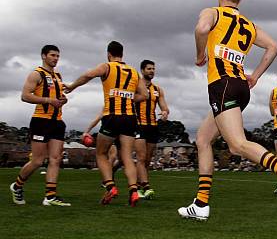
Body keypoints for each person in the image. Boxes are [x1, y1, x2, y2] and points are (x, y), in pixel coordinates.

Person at [178, 0, 277, 221]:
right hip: (240, 87)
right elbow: (274, 46)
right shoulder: (247, 23)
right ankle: (201, 204)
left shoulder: (212, 12)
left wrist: (199, 55)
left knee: (236, 144)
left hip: (222, 85)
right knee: (203, 139)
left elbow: (201, 29)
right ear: (239, 0)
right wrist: (255, 76)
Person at [64, 41, 148, 207]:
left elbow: (87, 75)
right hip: (130, 118)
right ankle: (133, 191)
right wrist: (127, 97)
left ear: (109, 53)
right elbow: (144, 94)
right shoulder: (133, 72)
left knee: (101, 153)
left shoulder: (107, 66)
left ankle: (110, 186)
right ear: (122, 54)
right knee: (127, 157)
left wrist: (72, 86)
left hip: (112, 116)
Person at [10, 45, 71, 206]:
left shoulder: (58, 75)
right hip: (41, 121)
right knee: (37, 161)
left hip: (57, 121)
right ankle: (17, 186)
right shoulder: (36, 74)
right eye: (52, 55)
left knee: (56, 159)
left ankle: (50, 196)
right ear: (44, 56)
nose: (56, 58)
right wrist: (48, 100)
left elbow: (58, 97)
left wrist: (63, 100)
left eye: (58, 55)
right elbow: (25, 96)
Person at [135, 60, 170, 199]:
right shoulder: (135, 86)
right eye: (149, 69)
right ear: (142, 70)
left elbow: (164, 107)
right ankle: (144, 186)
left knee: (147, 160)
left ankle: (139, 188)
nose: (152, 71)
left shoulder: (158, 89)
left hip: (152, 126)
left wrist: (165, 113)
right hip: (138, 124)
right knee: (141, 158)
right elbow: (129, 100)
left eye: (153, 69)